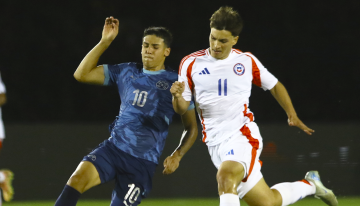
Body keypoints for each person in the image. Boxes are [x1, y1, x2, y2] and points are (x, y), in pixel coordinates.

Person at [171, 6, 337, 206]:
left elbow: (275, 86)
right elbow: (181, 108)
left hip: (242, 134)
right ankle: (311, 184)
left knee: (225, 178)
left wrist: (292, 115)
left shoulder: (246, 61)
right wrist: (177, 97)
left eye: (223, 40)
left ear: (235, 40)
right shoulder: (191, 63)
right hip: (215, 142)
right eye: (213, 37)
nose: (216, 45)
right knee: (267, 201)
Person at [55, 17, 198, 206]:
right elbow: (81, 74)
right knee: (76, 179)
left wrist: (177, 155)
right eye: (145, 45)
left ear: (166, 51)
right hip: (113, 149)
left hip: (141, 163)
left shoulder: (176, 82)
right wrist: (105, 42)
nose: (148, 50)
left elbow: (191, 127)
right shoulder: (127, 71)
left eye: (155, 47)